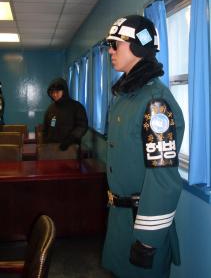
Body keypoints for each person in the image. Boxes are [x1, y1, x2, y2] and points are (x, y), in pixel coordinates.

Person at [102, 15, 185, 278]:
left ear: (138, 46)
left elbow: (163, 179)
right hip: (120, 221)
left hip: (143, 224)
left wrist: (147, 241)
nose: (110, 50)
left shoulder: (155, 103)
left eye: (116, 44)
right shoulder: (125, 97)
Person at [42, 77, 88, 151]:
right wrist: (45, 142)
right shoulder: (51, 108)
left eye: (57, 92)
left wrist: (70, 139)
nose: (55, 95)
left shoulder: (76, 106)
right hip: (51, 147)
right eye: (52, 92)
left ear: (64, 91)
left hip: (70, 147)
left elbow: (82, 126)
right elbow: (45, 128)